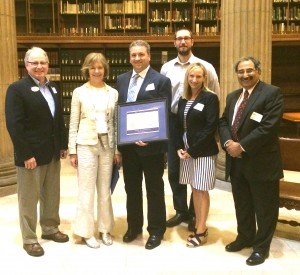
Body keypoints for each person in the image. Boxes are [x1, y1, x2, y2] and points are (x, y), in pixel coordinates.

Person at [219, 56, 284, 266]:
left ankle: (261, 247)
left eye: (249, 71)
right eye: (241, 72)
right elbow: (223, 122)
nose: (245, 75)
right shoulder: (233, 96)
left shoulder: (271, 93)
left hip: (261, 162)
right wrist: (228, 141)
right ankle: (245, 237)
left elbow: (268, 127)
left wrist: (241, 146)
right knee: (243, 204)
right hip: (236, 163)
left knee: (264, 208)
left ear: (258, 71)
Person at [5, 47, 69, 257]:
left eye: (43, 62)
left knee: (52, 194)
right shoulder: (17, 89)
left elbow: (58, 119)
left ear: (48, 64)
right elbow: (15, 125)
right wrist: (25, 154)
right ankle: (30, 238)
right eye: (35, 63)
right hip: (30, 156)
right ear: (26, 65)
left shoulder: (54, 88)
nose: (40, 66)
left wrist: (62, 144)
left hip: (51, 152)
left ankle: (50, 228)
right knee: (29, 198)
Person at [160, 28, 220, 230]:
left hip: (199, 122)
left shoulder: (207, 67)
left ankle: (196, 214)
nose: (183, 41)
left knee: (196, 173)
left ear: (192, 41)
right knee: (175, 171)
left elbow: (214, 96)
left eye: (186, 38)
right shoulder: (166, 68)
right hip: (174, 120)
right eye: (179, 39)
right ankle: (180, 211)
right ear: (174, 43)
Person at [117, 40, 172, 250]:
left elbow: (164, 113)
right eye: (133, 55)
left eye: (141, 54)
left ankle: (156, 230)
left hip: (152, 148)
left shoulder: (160, 81)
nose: (137, 58)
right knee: (131, 188)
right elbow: (120, 111)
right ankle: (134, 227)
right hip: (129, 147)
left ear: (149, 56)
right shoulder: (121, 80)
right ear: (129, 57)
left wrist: (150, 136)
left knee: (154, 189)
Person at [68, 53, 120, 249]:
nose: (97, 71)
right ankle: (86, 232)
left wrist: (117, 150)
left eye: (100, 68)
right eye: (93, 68)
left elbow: (114, 124)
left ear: (105, 69)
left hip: (107, 147)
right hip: (85, 145)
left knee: (105, 191)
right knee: (86, 191)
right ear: (87, 70)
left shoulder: (112, 93)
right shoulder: (79, 92)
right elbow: (73, 122)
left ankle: (105, 229)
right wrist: (73, 150)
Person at [176, 63, 219, 247]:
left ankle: (201, 230)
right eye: (191, 76)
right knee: (194, 188)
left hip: (202, 151)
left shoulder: (210, 98)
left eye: (198, 76)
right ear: (187, 77)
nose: (194, 80)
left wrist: (191, 151)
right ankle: (198, 226)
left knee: (202, 189)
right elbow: (180, 126)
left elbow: (210, 127)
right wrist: (180, 147)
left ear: (204, 78)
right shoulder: (183, 99)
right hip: (186, 149)